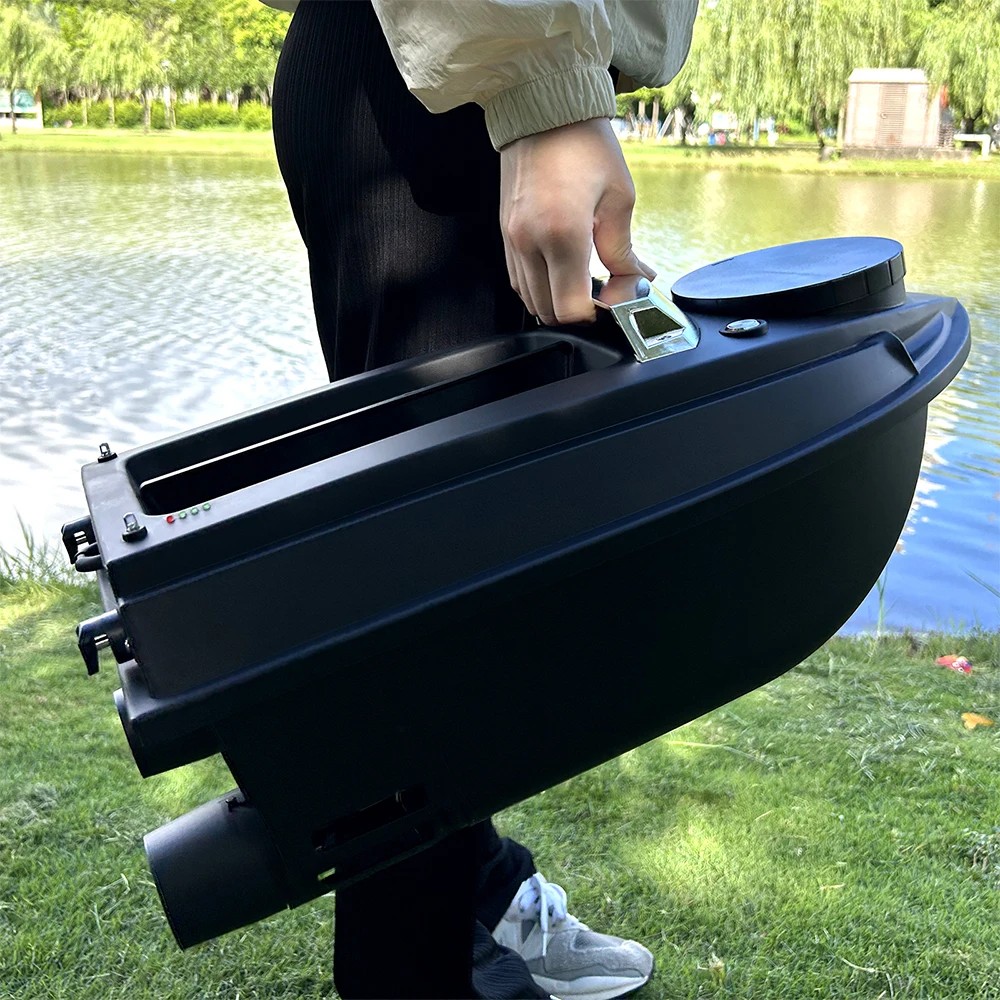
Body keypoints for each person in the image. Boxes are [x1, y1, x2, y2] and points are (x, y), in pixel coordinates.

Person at [267, 2, 697, 996]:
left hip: (446, 73)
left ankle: (481, 889)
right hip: (447, 87)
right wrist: (537, 83)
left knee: (450, 592)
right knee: (429, 619)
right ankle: (421, 965)